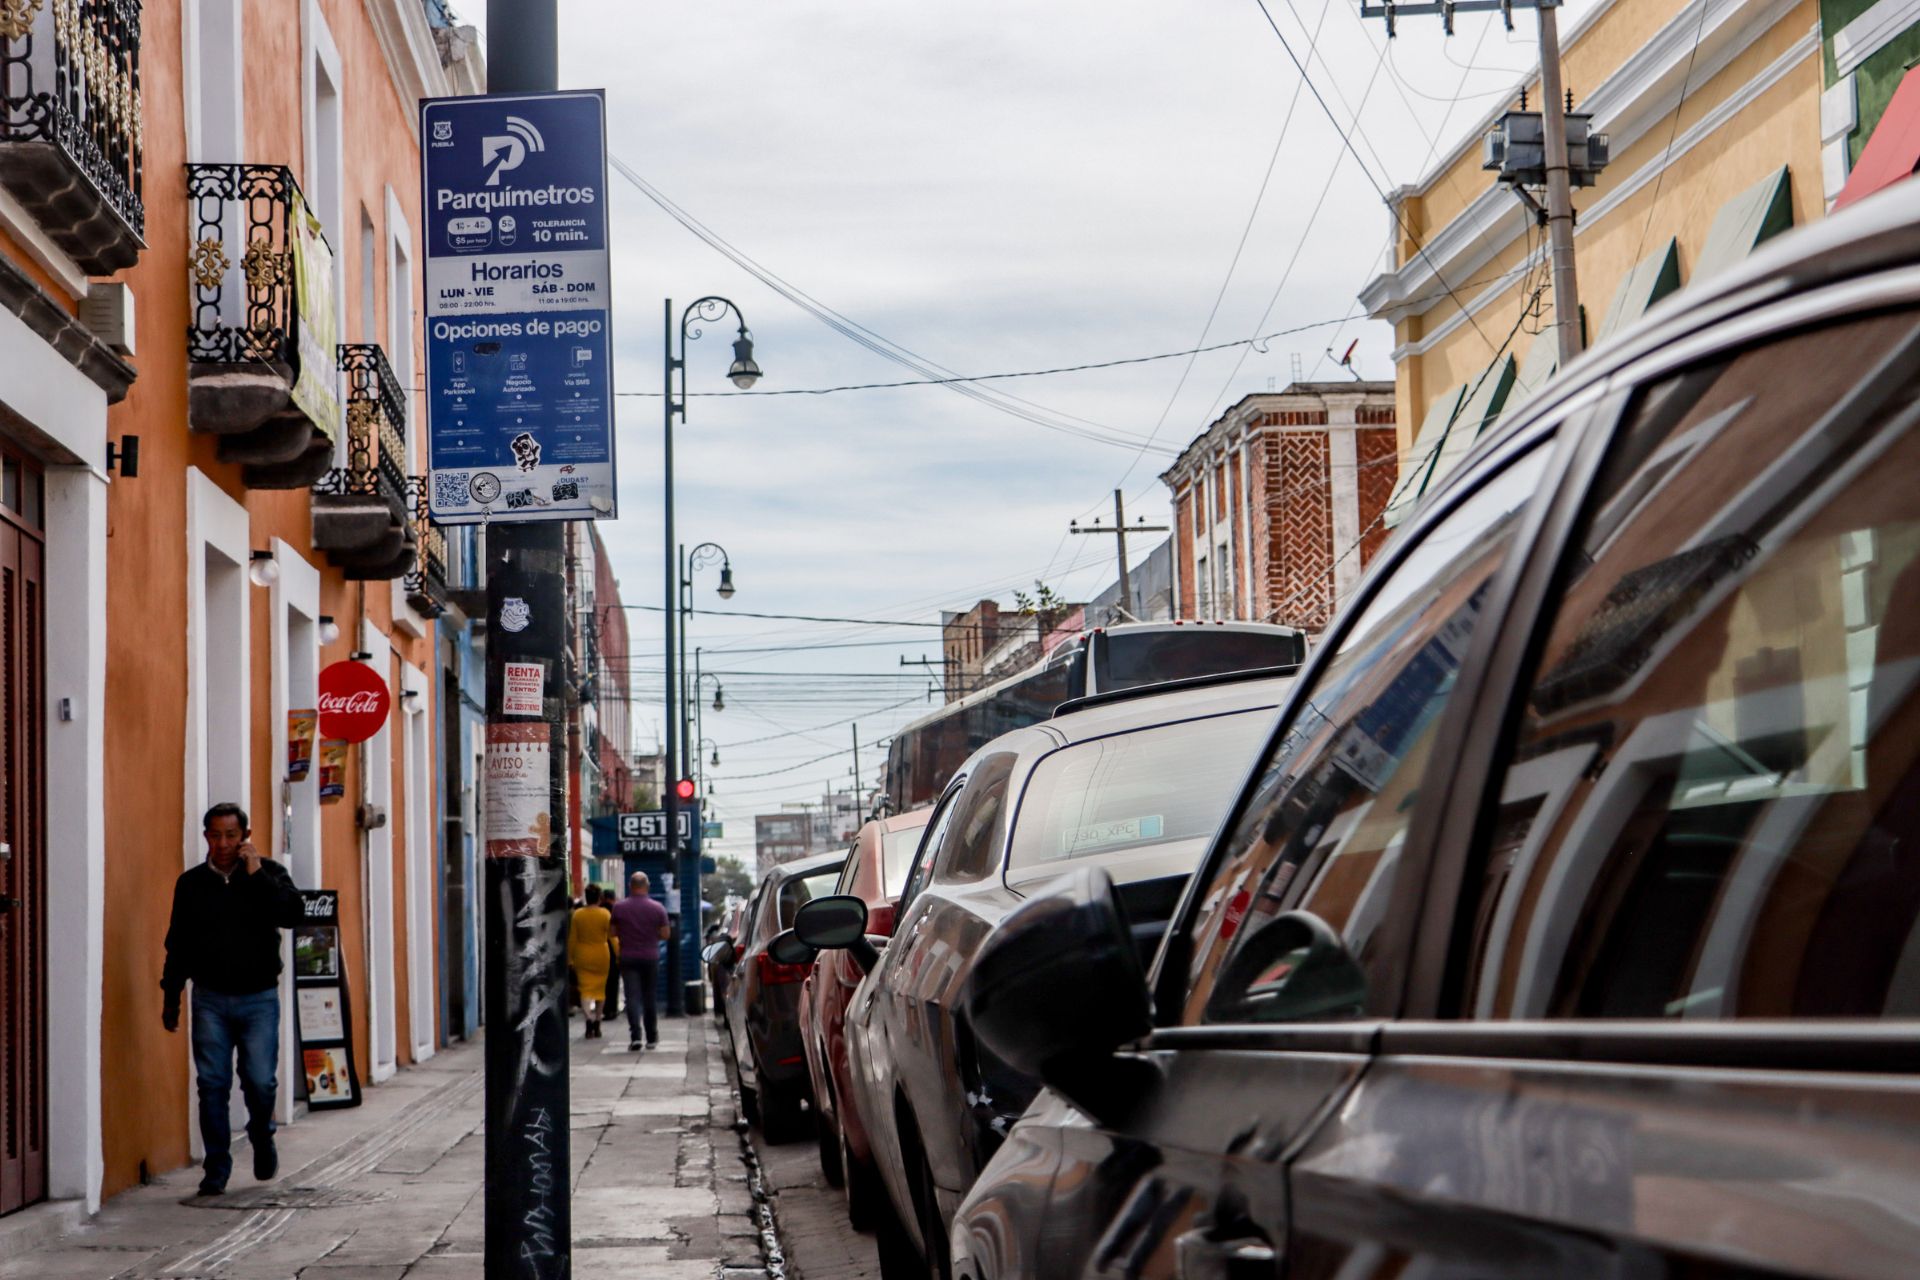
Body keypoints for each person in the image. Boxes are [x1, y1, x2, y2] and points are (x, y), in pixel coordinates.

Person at [161, 802, 305, 1196]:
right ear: (205, 836)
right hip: (210, 998)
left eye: (230, 835)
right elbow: (178, 943)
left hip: (258, 998)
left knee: (260, 1081)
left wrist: (257, 875)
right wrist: (171, 995)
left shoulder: (269, 873)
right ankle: (217, 1168)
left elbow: (293, 914)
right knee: (212, 1084)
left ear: (245, 837)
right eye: (214, 834)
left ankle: (262, 1134)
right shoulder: (191, 884)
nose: (222, 843)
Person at [609, 871, 670, 1050]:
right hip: (650, 957)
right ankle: (651, 1037)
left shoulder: (619, 908)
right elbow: (666, 934)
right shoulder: (657, 908)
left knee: (632, 998)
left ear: (630, 886)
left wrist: (626, 933)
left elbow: (611, 932)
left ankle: (635, 1037)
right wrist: (652, 935)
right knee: (649, 997)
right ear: (647, 886)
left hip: (628, 958)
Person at [568, 884, 616, 1039]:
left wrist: (569, 959)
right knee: (600, 990)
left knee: (585, 989)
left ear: (586, 897)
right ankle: (597, 1022)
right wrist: (619, 954)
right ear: (599, 897)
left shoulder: (578, 914)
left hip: (583, 954)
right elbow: (612, 937)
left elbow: (572, 939)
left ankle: (588, 1018)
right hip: (601, 954)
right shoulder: (605, 914)